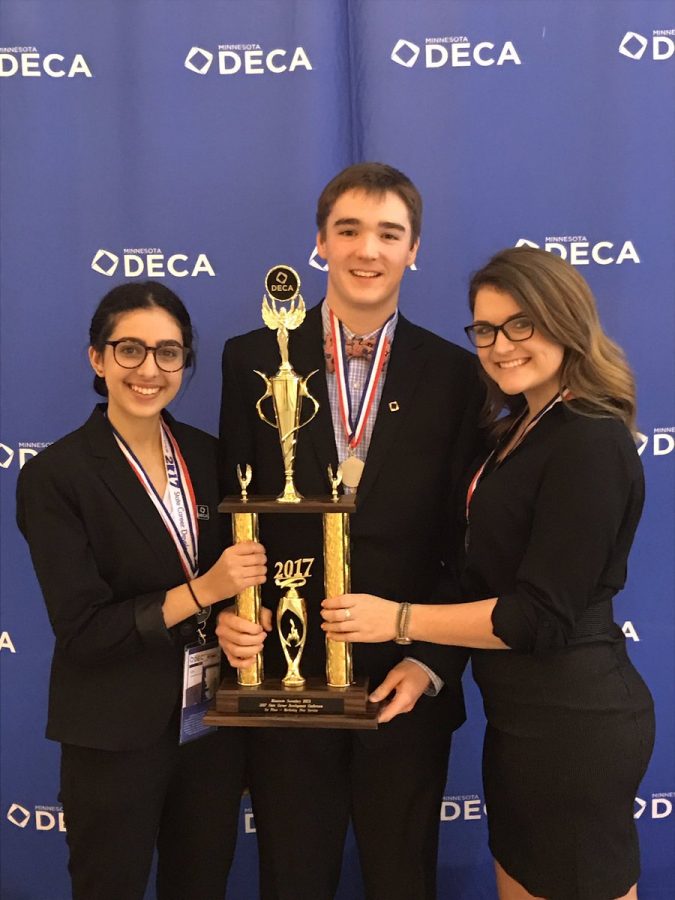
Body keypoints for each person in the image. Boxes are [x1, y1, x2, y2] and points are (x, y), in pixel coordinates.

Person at [322, 246, 655, 900]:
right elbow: (477, 578)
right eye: (484, 330)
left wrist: (396, 619)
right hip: (517, 723)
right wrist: (425, 662)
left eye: (519, 325)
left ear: (565, 322)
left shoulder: (589, 439)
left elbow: (537, 615)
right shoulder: (515, 430)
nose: (500, 346)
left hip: (575, 725)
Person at [216, 162, 484, 899]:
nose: (368, 250)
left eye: (388, 233)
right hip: (285, 671)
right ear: (319, 245)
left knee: (402, 878)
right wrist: (233, 618)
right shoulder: (250, 358)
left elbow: (468, 538)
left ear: (414, 250)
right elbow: (231, 511)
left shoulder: (459, 375)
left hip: (402, 681)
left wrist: (429, 660)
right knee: (292, 876)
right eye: (350, 231)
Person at [16, 281, 266, 900]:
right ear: (97, 359)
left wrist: (242, 620)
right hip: (113, 731)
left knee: (201, 886)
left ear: (185, 363)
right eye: (129, 350)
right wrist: (205, 590)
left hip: (210, 727)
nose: (149, 369)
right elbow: (84, 629)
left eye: (169, 352)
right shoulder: (56, 476)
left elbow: (238, 590)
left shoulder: (211, 458)